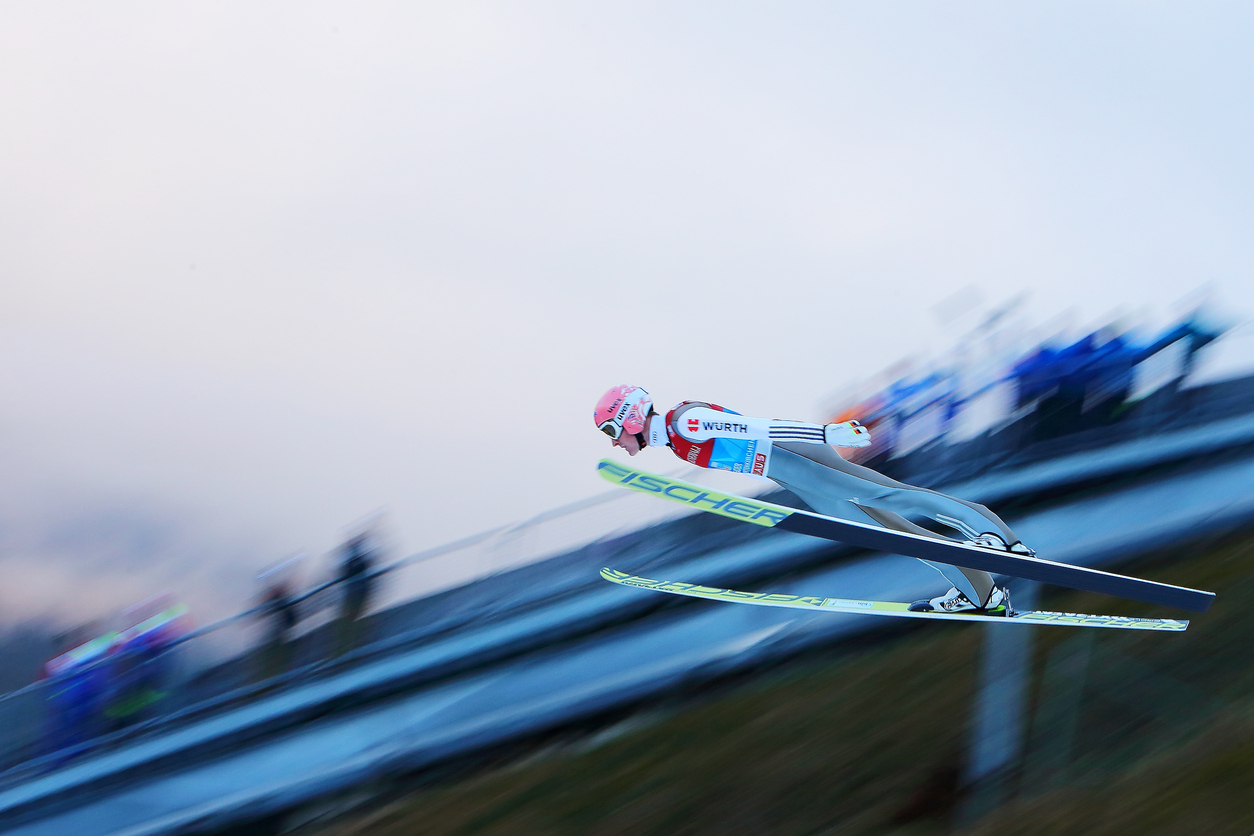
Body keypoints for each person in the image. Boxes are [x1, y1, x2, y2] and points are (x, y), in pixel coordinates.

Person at [593, 384, 1036, 615]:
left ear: (629, 418)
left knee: (888, 496)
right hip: (785, 472)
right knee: (890, 532)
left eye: (612, 432)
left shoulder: (686, 423)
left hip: (793, 454)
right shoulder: (672, 438)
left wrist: (826, 436)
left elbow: (763, 429)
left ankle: (997, 536)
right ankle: (980, 592)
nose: (614, 443)